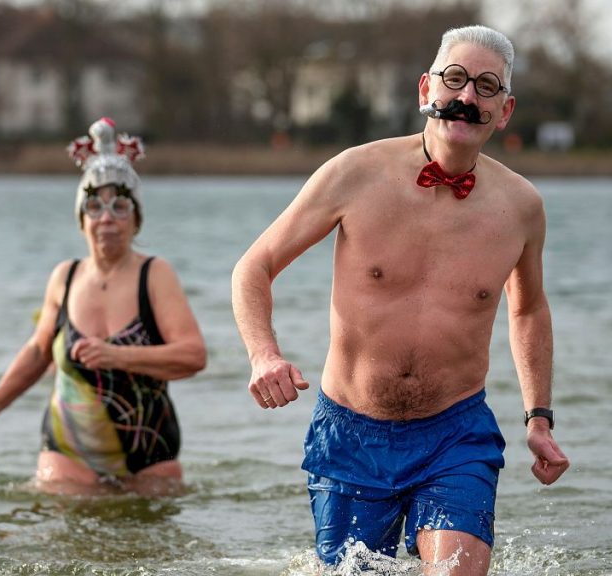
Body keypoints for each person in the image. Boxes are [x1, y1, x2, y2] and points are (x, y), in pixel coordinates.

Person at [231, 25, 569, 573]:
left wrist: (539, 418)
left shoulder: (522, 207)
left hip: (455, 433)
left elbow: (527, 308)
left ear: (504, 112)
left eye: (486, 87)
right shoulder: (354, 173)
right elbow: (254, 266)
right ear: (424, 90)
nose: (466, 98)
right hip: (350, 431)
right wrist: (263, 353)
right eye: (454, 80)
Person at [0, 118, 207, 496]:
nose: (107, 218)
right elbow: (39, 352)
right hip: (68, 448)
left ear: (136, 220)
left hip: (149, 450)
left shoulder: (155, 274)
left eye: (121, 206)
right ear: (81, 219)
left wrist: (117, 356)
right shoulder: (64, 277)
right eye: (94, 206)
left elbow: (193, 356)